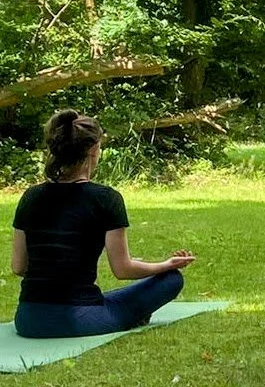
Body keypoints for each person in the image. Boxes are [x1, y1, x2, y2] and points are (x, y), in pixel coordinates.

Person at [9, 110, 193, 338]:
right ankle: (134, 314)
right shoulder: (106, 198)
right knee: (171, 280)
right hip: (80, 319)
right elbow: (123, 269)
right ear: (93, 150)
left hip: (28, 320)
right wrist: (166, 265)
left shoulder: (31, 196)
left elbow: (18, 267)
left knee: (112, 296)